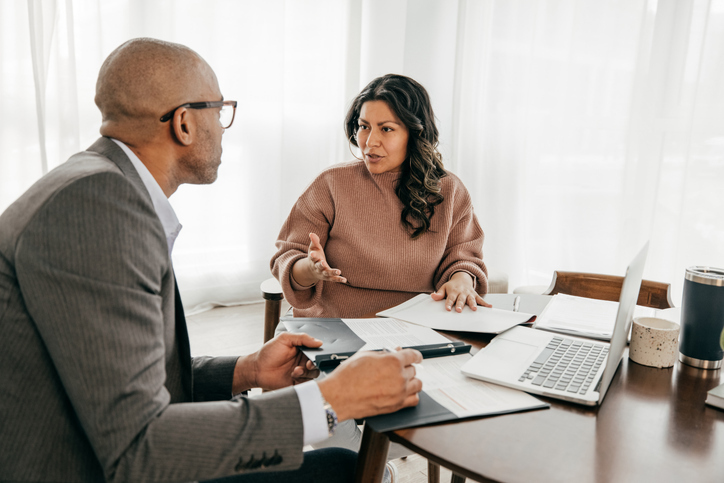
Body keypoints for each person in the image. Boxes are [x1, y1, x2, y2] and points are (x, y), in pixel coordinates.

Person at [0, 38, 422, 483]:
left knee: (344, 467)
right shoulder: (98, 207)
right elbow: (140, 450)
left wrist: (247, 370)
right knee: (345, 471)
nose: (223, 128)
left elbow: (118, 380)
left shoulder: (97, 185)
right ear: (184, 123)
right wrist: (331, 400)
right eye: (220, 112)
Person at [271, 74, 489, 319]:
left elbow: (463, 257)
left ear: (415, 133)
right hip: (334, 323)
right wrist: (311, 270)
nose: (370, 142)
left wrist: (461, 279)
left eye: (386, 129)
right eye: (364, 127)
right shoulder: (331, 184)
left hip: (418, 327)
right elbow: (288, 257)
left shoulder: (450, 191)